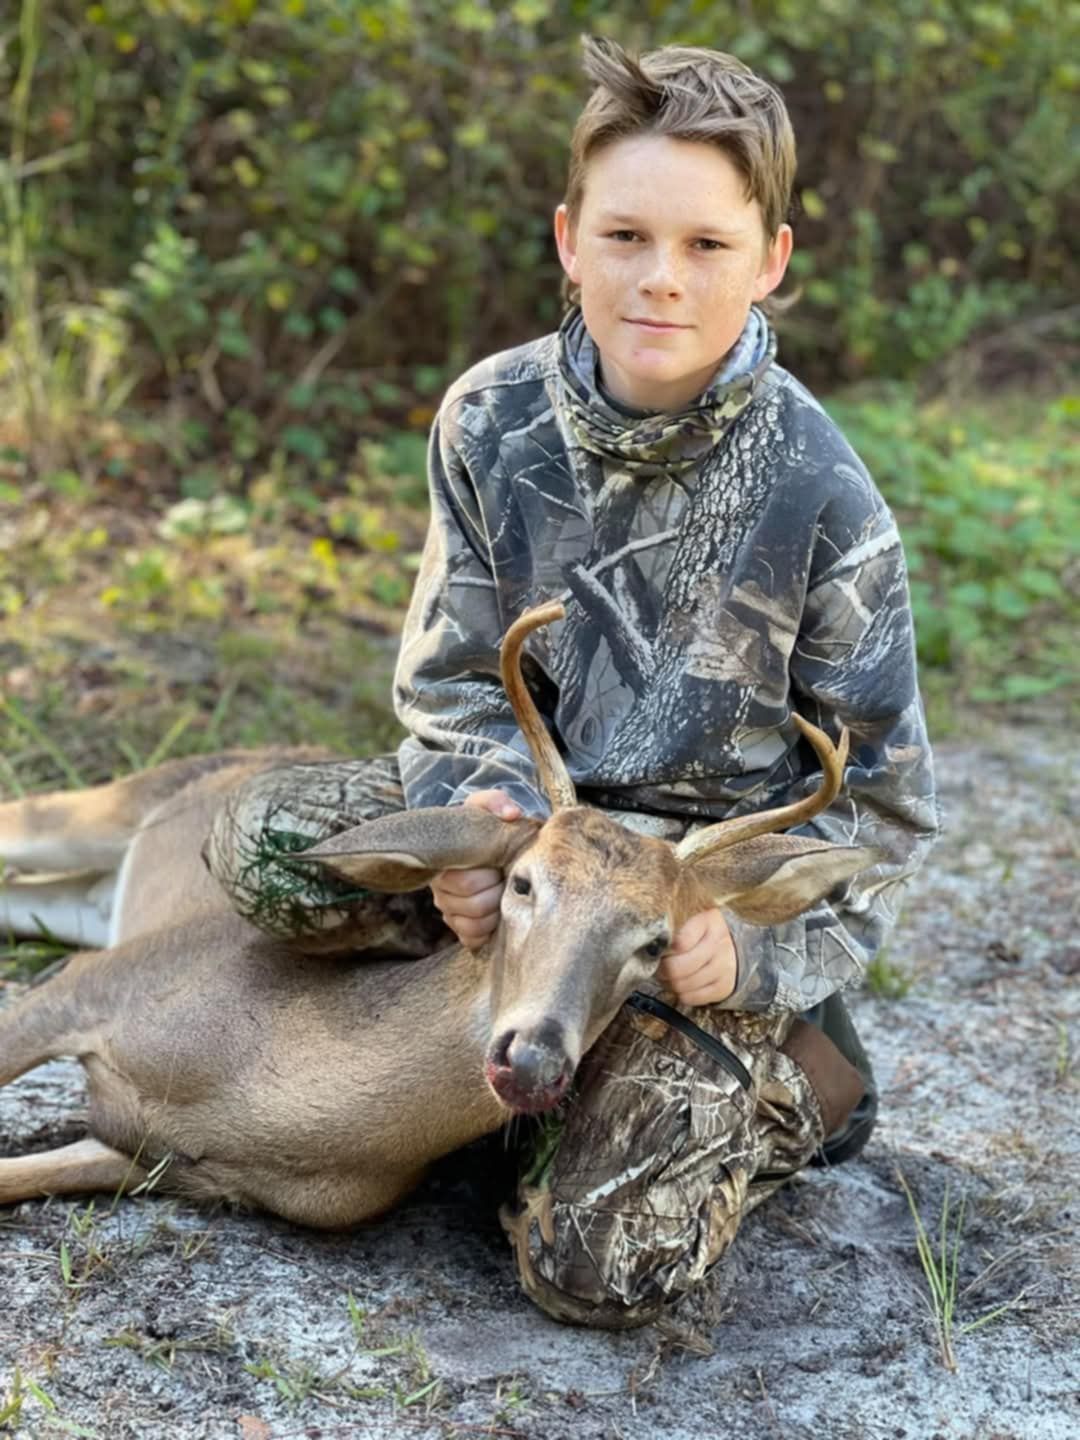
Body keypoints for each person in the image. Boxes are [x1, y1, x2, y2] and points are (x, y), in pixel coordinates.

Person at [205, 36, 939, 1329]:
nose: (660, 279)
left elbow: (875, 817)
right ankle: (470, 1055)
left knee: (600, 1266)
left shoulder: (829, 499)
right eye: (625, 235)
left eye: (707, 246)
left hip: (668, 924)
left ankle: (791, 1080)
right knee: (259, 845)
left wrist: (745, 952)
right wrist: (481, 824)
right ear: (568, 238)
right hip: (536, 854)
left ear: (770, 260)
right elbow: (447, 683)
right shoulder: (488, 421)